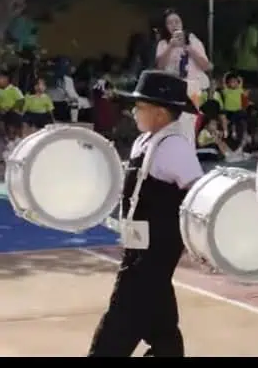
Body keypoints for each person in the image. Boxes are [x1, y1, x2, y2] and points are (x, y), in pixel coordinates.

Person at [88, 70, 203, 357]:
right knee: (161, 325)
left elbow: (198, 193)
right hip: (138, 247)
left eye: (140, 107)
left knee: (119, 322)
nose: (133, 112)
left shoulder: (174, 146)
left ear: (161, 113)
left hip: (156, 250)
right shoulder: (145, 141)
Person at [155, 8, 213, 145]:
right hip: (172, 87)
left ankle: (188, 152)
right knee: (173, 124)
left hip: (192, 87)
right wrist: (171, 47)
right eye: (170, 23)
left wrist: (187, 47)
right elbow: (159, 66)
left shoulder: (193, 40)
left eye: (177, 21)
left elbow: (207, 66)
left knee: (188, 122)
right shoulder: (163, 44)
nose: (174, 25)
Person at [0, 69, 25, 143]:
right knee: (7, 126)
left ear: (6, 79)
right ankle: (9, 139)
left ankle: (17, 139)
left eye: (0, 78)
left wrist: (11, 108)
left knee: (13, 123)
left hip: (13, 111)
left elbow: (21, 100)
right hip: (2, 112)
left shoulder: (14, 89)